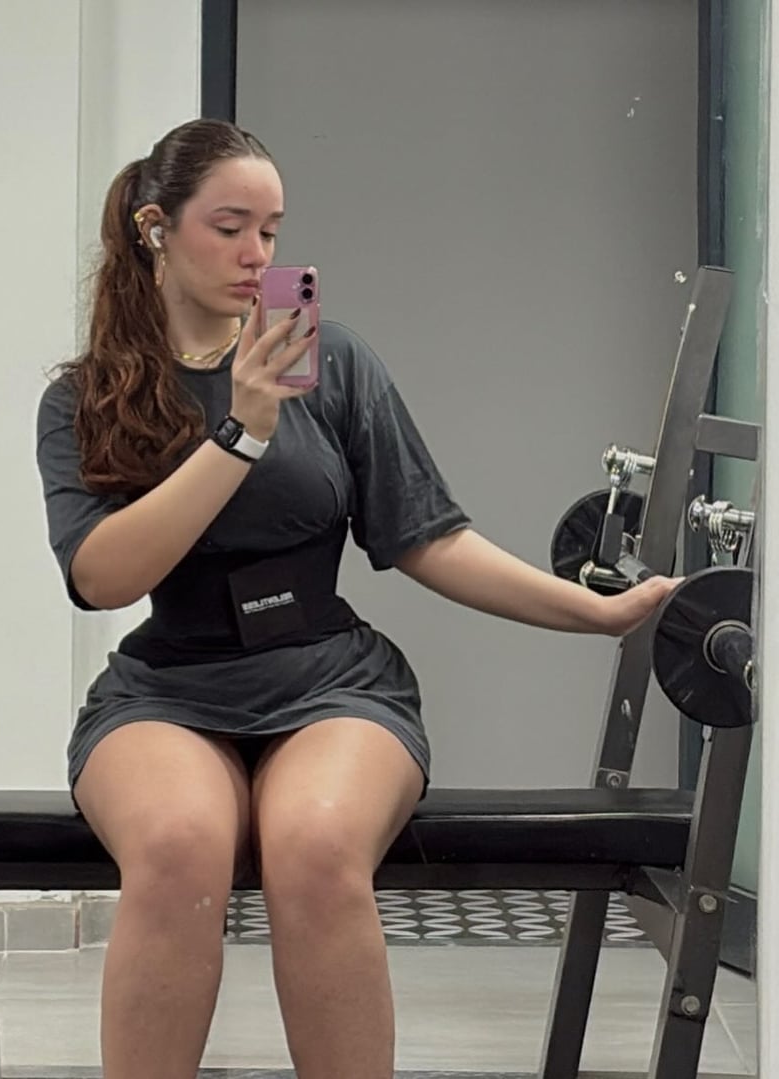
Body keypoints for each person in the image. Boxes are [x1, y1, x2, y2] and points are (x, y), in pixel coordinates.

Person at [35, 118, 678, 1079]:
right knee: (176, 845)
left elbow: (428, 538)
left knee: (317, 842)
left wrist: (590, 611)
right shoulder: (86, 396)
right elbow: (103, 577)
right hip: (168, 688)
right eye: (229, 228)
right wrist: (242, 431)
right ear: (156, 228)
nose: (257, 256)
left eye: (271, 232)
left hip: (332, 681)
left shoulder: (333, 363)